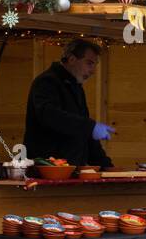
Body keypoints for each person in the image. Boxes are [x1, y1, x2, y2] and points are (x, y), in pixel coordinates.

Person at [24, 38, 116, 168]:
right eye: (89, 63)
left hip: (71, 170)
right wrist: (90, 127)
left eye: (95, 65)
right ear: (72, 59)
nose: (93, 71)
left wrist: (107, 167)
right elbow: (51, 116)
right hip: (47, 170)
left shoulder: (76, 87)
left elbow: (85, 134)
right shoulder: (47, 82)